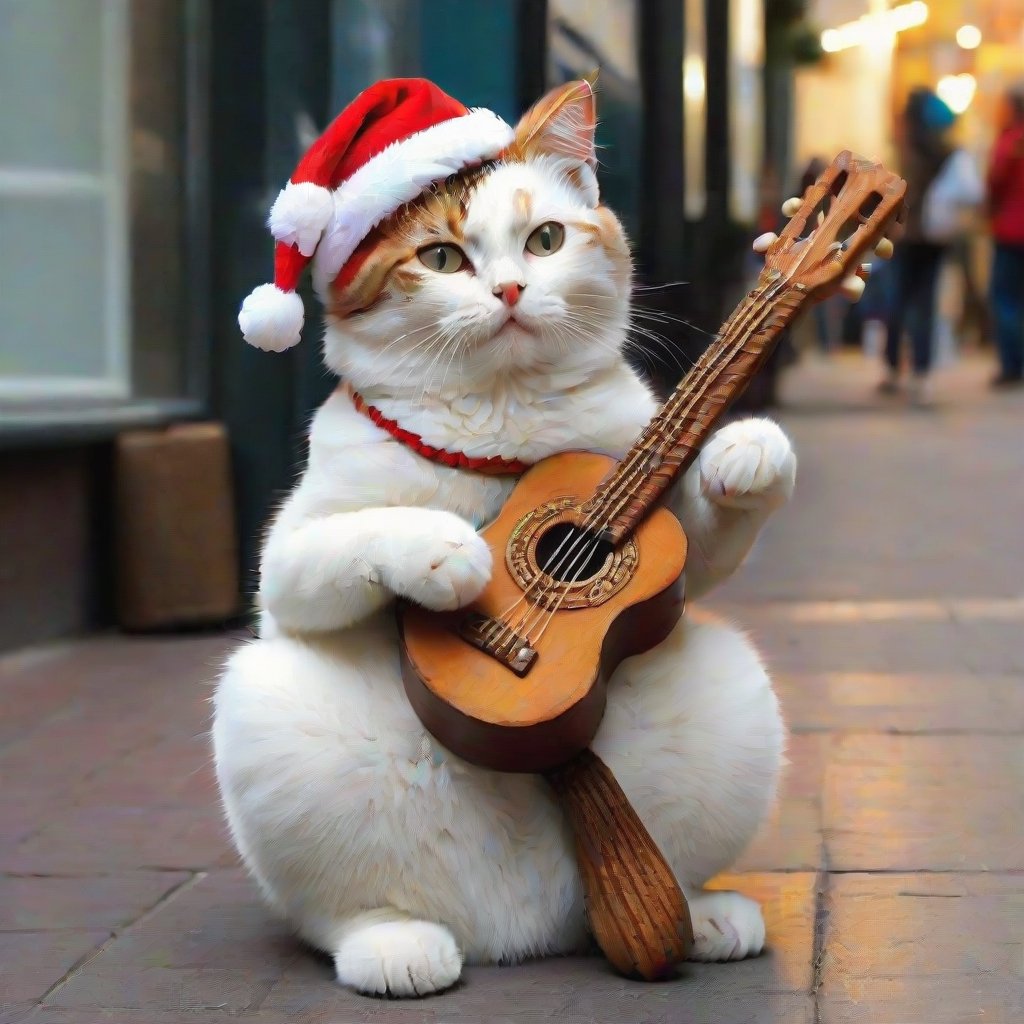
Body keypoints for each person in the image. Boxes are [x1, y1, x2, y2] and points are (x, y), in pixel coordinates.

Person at [880, 88, 982, 403]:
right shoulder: (948, 150)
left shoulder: (909, 146)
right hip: (936, 236)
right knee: (925, 302)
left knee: (897, 298)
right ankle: (921, 372)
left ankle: (894, 367)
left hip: (909, 235)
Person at [986, 84, 1024, 387]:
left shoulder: (1010, 142)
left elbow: (994, 183)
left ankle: (1013, 365)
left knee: (1007, 299)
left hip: (1011, 232)